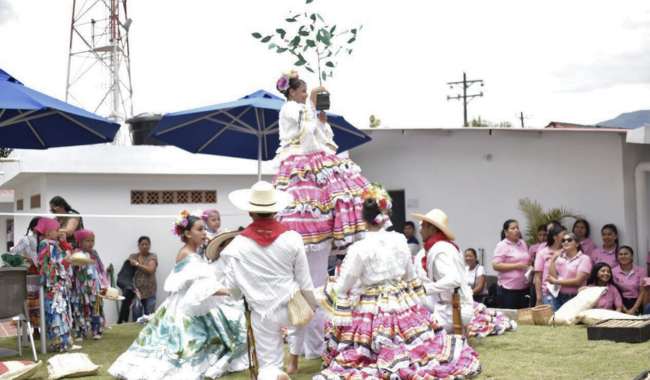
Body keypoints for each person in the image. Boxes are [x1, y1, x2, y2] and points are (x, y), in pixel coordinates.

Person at [317, 186, 480, 379]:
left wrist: (325, 291)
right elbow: (410, 277)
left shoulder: (359, 248)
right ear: (386, 215)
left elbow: (344, 285)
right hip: (401, 302)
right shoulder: (400, 240)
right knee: (411, 342)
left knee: (365, 348)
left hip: (371, 306)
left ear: (363, 218)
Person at [272, 70, 370, 367]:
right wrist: (313, 108)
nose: (304, 93)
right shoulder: (293, 109)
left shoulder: (303, 109)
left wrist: (320, 117)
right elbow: (307, 139)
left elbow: (323, 140)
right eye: (302, 90)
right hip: (302, 167)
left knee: (313, 280)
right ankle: (304, 347)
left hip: (308, 165)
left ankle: (310, 346)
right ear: (292, 91)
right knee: (308, 279)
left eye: (306, 91)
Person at [109, 212, 248, 380]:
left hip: (192, 301)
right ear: (188, 233)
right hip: (185, 304)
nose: (204, 232)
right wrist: (228, 292)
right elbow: (200, 285)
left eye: (204, 229)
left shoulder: (193, 254)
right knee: (184, 343)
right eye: (200, 229)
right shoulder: (187, 254)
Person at [220, 181, 316, 380]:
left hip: (261, 311)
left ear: (249, 212)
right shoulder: (292, 238)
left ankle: (273, 374)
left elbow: (233, 290)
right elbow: (305, 281)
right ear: (276, 210)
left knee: (268, 365)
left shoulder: (236, 246)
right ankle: (287, 367)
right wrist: (313, 306)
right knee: (290, 341)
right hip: (291, 305)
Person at [412, 208, 474, 331]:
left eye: (423, 226)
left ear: (432, 229)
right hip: (450, 306)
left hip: (452, 310)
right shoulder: (444, 246)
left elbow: (453, 279)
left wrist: (425, 289)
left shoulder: (440, 250)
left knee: (412, 334)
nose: (420, 230)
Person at [35, 217, 73, 352]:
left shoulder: (54, 244)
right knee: (56, 311)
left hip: (58, 283)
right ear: (47, 232)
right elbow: (45, 262)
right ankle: (58, 341)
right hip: (53, 284)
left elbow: (63, 260)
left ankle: (61, 341)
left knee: (60, 310)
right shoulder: (45, 243)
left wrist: (63, 247)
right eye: (56, 230)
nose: (58, 232)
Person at [70, 229, 108, 341]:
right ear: (80, 242)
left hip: (94, 288)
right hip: (79, 288)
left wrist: (104, 283)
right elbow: (72, 269)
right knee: (79, 309)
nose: (91, 243)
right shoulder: (76, 253)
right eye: (87, 241)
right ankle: (80, 332)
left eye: (92, 240)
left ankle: (97, 330)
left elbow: (101, 268)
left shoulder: (94, 253)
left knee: (95, 308)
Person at [492, 219, 531, 309]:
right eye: (512, 228)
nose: (516, 230)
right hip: (508, 289)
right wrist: (517, 266)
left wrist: (529, 266)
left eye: (517, 228)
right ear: (506, 232)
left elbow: (526, 259)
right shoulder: (502, 245)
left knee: (523, 318)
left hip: (524, 287)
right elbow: (495, 265)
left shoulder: (523, 243)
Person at [548, 232, 593, 309]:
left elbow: (578, 281)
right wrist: (553, 259)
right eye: (563, 240)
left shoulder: (584, 259)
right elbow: (552, 277)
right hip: (558, 295)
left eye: (569, 240)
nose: (566, 242)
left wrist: (556, 282)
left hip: (575, 297)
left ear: (577, 244)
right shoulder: (560, 258)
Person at [534, 223, 565, 307]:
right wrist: (539, 298)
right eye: (563, 235)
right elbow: (537, 277)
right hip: (549, 293)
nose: (566, 237)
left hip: (566, 293)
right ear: (555, 237)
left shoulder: (567, 251)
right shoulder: (542, 253)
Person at [128, 236, 158, 318]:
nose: (144, 246)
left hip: (150, 292)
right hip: (136, 293)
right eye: (142, 244)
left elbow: (151, 270)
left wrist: (137, 264)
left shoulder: (152, 256)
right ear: (138, 246)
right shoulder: (133, 256)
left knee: (149, 318)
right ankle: (136, 331)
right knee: (137, 317)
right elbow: (127, 272)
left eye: (146, 244)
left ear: (150, 245)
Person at [612, 246, 647, 314]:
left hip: (637, 302)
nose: (623, 256)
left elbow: (642, 292)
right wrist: (624, 309)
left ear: (631, 256)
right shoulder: (613, 271)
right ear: (617, 257)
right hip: (620, 302)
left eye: (626, 254)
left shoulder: (641, 271)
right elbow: (615, 293)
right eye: (620, 254)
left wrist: (634, 309)